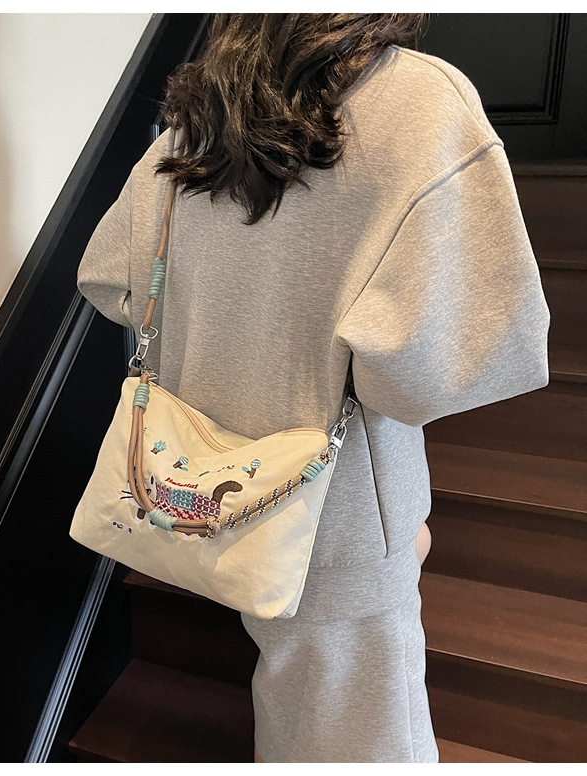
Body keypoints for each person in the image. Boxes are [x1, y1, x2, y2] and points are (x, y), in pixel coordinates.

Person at [76, 13, 551, 763]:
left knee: (298, 702)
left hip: (207, 487)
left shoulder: (203, 111)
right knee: (362, 734)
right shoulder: (421, 103)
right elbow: (436, 368)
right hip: (340, 504)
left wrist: (227, 336)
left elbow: (111, 278)